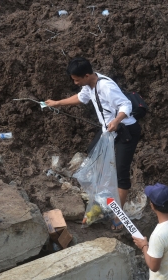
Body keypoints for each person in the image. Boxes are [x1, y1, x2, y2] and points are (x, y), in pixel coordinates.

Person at [45, 57, 141, 232]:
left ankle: (119, 216)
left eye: (77, 79)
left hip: (125, 131)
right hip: (109, 131)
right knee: (94, 156)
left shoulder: (106, 87)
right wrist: (58, 103)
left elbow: (125, 105)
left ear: (87, 75)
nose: (75, 82)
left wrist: (117, 121)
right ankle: (104, 199)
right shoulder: (89, 85)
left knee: (121, 173)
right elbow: (82, 98)